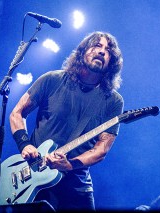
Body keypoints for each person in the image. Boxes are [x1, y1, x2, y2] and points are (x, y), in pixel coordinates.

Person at [9, 31, 124, 211]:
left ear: (112, 61)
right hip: (33, 176)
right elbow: (17, 113)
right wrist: (25, 145)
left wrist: (70, 164)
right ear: (82, 51)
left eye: (108, 50)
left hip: (76, 183)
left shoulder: (113, 101)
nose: (102, 51)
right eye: (96, 45)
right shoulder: (52, 80)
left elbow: (101, 150)